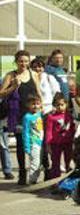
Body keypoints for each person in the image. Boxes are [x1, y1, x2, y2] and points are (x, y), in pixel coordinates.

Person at [0, 50, 38, 184]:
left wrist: (42, 110)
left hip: (33, 115)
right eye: (21, 61)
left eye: (26, 61)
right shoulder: (10, 75)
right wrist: (13, 87)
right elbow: (1, 94)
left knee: (36, 144)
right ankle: (22, 175)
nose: (23, 63)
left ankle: (36, 173)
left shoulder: (33, 74)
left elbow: (39, 94)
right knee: (21, 146)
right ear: (16, 62)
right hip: (17, 115)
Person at [45, 94, 75, 179]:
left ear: (66, 104)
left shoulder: (69, 116)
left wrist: (74, 140)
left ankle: (69, 181)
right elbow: (49, 131)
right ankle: (55, 182)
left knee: (69, 162)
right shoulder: (51, 117)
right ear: (54, 105)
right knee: (55, 163)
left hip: (68, 143)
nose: (60, 107)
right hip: (55, 144)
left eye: (62, 105)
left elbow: (72, 128)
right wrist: (48, 144)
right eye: (57, 105)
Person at [20, 96, 44, 185]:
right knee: (35, 163)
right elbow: (25, 132)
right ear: (28, 105)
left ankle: (35, 179)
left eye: (37, 104)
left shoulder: (40, 115)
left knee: (39, 164)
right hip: (33, 143)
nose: (35, 106)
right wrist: (27, 147)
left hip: (41, 142)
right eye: (33, 104)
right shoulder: (27, 117)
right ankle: (32, 181)